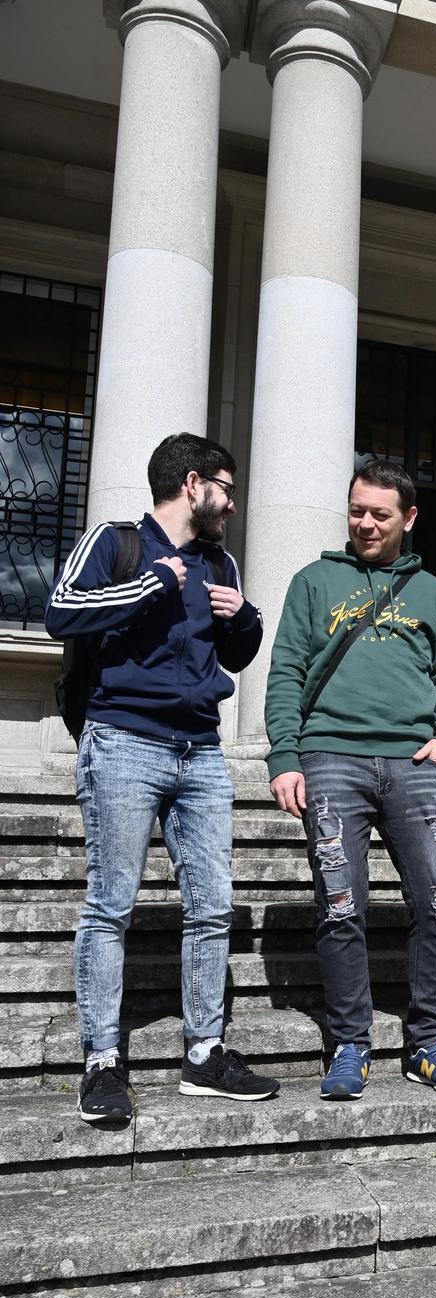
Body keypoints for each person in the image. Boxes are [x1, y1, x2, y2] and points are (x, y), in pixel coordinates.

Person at [46, 432, 278, 1124]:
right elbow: (61, 611)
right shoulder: (117, 543)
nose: (232, 504)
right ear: (192, 483)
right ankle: (102, 1062)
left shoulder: (220, 562)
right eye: (227, 489)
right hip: (122, 740)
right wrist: (149, 585)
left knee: (210, 907)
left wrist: (248, 619)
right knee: (110, 906)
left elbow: (230, 653)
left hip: (200, 750)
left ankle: (204, 1052)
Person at [264, 459, 436, 1099]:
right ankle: (351, 1043)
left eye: (380, 513)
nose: (365, 522)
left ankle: (427, 1042)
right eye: (357, 510)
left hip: (414, 767)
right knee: (338, 907)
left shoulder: (433, 592)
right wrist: (285, 757)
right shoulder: (313, 581)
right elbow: (285, 674)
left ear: (408, 518)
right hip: (331, 760)